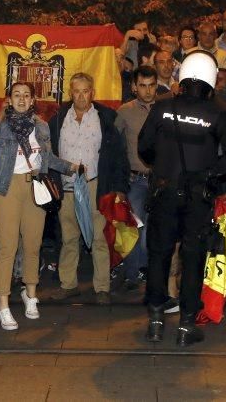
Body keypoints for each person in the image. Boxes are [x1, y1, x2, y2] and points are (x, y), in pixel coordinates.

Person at [138, 51, 226, 346]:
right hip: (198, 196)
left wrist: (162, 163)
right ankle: (187, 325)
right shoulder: (220, 112)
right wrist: (212, 173)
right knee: (193, 257)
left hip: (164, 191)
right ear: (212, 78)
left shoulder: (162, 107)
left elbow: (144, 147)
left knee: (160, 255)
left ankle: (156, 320)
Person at [0, 82, 76, 330]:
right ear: (9, 100)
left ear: (33, 100)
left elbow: (46, 158)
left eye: (26, 95)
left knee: (32, 246)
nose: (21, 99)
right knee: (7, 247)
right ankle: (3, 303)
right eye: (16, 95)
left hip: (34, 188)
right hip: (6, 190)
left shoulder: (41, 126)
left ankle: (30, 294)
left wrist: (70, 166)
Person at [48, 72, 129, 305]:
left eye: (86, 91)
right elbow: (50, 153)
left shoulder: (106, 117)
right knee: (68, 237)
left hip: (95, 185)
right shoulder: (58, 118)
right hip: (67, 187)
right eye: (76, 91)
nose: (81, 96)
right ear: (70, 93)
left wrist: (119, 188)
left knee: (99, 238)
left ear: (92, 92)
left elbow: (119, 156)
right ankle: (68, 284)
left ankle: (102, 287)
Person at [114, 66, 158, 291]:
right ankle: (133, 274)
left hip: (161, 180)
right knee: (134, 228)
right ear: (133, 86)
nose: (148, 90)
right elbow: (112, 144)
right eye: (143, 85)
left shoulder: (165, 108)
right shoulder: (125, 111)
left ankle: (153, 273)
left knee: (156, 229)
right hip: (136, 179)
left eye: (151, 85)